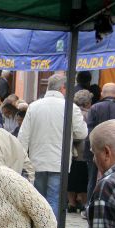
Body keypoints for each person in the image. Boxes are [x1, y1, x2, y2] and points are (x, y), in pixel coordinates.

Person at [18, 74, 88, 214]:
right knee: (54, 199)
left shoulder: (33, 106)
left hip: (37, 160)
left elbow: (23, 137)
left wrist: (22, 160)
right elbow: (82, 133)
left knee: (38, 199)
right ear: (63, 88)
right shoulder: (70, 107)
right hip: (59, 161)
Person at [85, 82, 115, 208]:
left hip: (94, 149)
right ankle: (113, 205)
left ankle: (90, 205)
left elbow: (89, 131)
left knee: (92, 179)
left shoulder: (94, 108)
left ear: (102, 93)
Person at [68, 89, 92, 213]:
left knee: (71, 177)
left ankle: (71, 203)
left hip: (71, 149)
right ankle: (83, 202)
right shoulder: (89, 114)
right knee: (83, 178)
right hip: (84, 150)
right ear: (88, 102)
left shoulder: (70, 112)